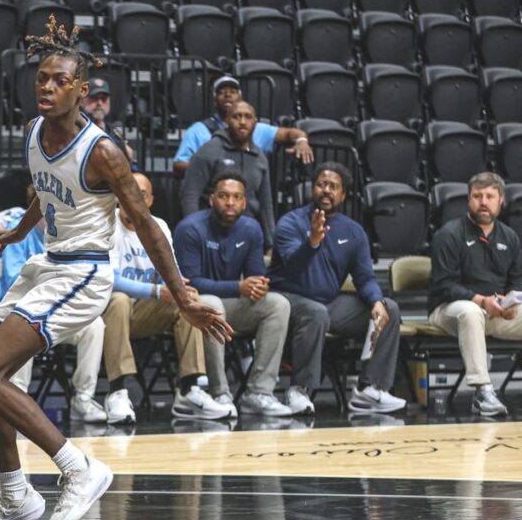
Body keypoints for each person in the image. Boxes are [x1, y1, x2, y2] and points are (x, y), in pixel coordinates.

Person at [0, 17, 231, 520]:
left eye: (59, 81)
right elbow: (46, 189)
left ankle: (79, 469)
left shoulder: (103, 151)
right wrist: (17, 234)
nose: (47, 87)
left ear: (81, 91)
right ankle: (15, 498)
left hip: (83, 272)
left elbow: (146, 225)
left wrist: (183, 297)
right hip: (46, 264)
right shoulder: (34, 131)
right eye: (41, 78)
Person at [269, 163, 405, 415]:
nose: (326, 190)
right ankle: (299, 389)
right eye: (321, 184)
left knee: (390, 309)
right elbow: (292, 264)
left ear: (343, 195)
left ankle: (369, 389)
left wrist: (376, 301)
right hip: (288, 300)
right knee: (315, 312)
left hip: (329, 303)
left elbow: (364, 278)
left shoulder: (353, 231)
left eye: (333, 186)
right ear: (312, 189)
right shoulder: (291, 222)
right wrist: (312, 242)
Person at [101, 172, 228, 423]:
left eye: (141, 194)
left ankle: (189, 390)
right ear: (117, 196)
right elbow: (111, 280)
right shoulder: (107, 224)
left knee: (189, 302)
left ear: (150, 200)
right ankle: (117, 391)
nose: (132, 197)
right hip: (108, 310)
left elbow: (171, 273)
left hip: (145, 311)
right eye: (127, 191)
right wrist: (158, 291)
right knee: (119, 299)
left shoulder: (158, 226)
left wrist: (181, 290)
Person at [0, 184, 108, 425]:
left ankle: (83, 398)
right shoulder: (18, 231)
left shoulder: (72, 234)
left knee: (95, 326)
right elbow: (13, 281)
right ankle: (15, 400)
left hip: (58, 308)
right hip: (27, 309)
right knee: (25, 322)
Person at [175, 173, 293, 417]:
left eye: (237, 197)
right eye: (224, 196)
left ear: (244, 202)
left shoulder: (251, 228)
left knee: (278, 304)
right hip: (194, 308)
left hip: (232, 306)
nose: (230, 202)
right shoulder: (190, 228)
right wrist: (239, 288)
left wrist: (259, 286)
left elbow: (255, 276)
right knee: (211, 303)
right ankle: (220, 393)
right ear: (211, 199)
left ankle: (259, 392)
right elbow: (191, 283)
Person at [429, 172, 519, 417]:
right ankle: (482, 392)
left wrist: (510, 302)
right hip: (448, 310)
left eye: (490, 196)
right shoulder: (449, 234)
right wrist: (481, 300)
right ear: (468, 199)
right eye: (477, 196)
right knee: (470, 312)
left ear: (501, 200)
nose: (483, 202)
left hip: (495, 312)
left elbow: (517, 282)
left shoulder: (510, 237)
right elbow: (445, 285)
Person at [172, 75, 313, 177]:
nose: (227, 95)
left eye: (233, 92)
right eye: (222, 92)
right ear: (214, 100)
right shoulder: (198, 130)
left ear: (240, 99)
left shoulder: (255, 128)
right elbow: (178, 166)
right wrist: (212, 168)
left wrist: (301, 141)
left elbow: (291, 133)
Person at [180, 101, 276, 249]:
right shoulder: (209, 150)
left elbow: (266, 205)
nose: (242, 122)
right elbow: (190, 195)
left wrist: (271, 243)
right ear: (226, 121)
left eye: (247, 117)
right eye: (236, 116)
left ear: (254, 122)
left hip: (245, 234)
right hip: (211, 233)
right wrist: (193, 233)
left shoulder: (260, 158)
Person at [82, 77, 136, 169]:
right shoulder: (76, 130)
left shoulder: (115, 133)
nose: (99, 103)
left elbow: (132, 168)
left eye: (104, 99)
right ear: (81, 101)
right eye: (94, 98)